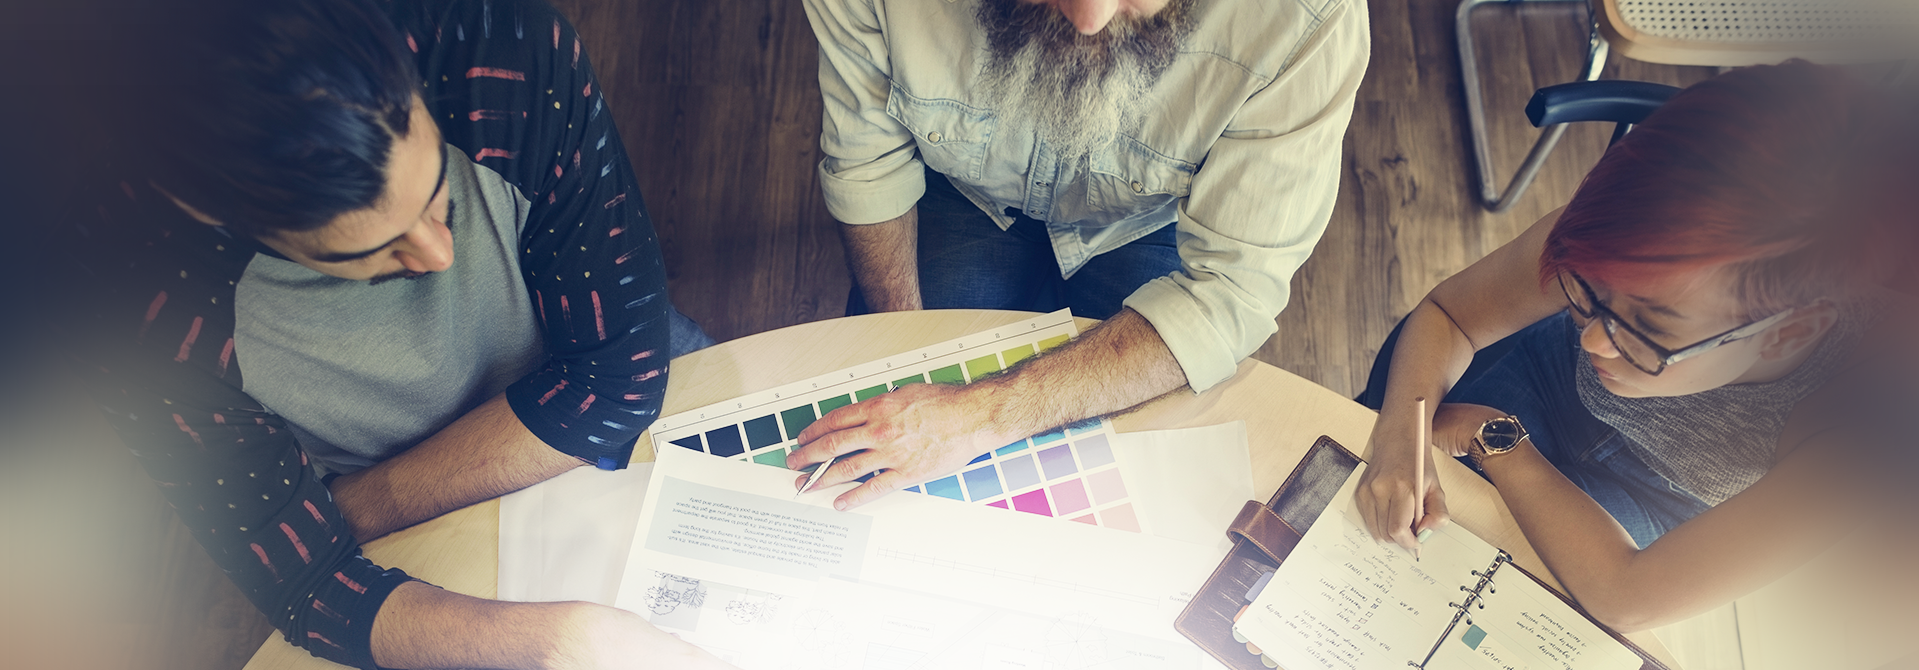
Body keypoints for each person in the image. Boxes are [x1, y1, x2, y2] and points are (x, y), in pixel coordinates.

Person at [57, 0, 731, 668]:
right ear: (206, 211)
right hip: (382, 465)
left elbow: (618, 381)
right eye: (371, 256)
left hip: (564, 393)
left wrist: (339, 520)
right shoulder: (113, 296)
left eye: (440, 191)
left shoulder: (500, 42)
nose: (440, 255)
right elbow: (310, 592)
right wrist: (558, 644)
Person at [1351, 61, 1915, 632]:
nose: (1594, 340)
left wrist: (1496, 436)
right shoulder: (1630, 232)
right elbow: (1450, 315)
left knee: (1481, 617)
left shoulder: (1869, 426)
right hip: (1547, 378)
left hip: (1655, 499)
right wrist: (1403, 436)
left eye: (1649, 328)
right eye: (1587, 293)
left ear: (1788, 332)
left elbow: (1629, 594)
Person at [788, 0, 1370, 509]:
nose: (1088, 19)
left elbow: (1226, 293)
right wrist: (903, 370)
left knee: (1131, 471)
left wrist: (977, 416)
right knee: (883, 444)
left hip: (1146, 221)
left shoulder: (1312, 17)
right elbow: (870, 166)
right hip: (963, 190)